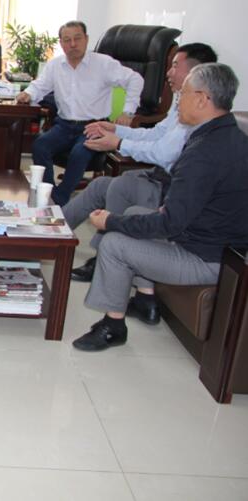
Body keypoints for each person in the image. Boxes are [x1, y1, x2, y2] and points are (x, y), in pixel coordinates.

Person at [72, 62, 248, 351]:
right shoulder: (230, 137)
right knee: (135, 214)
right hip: (216, 244)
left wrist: (110, 221)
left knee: (114, 244)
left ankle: (112, 327)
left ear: (202, 99)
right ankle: (145, 301)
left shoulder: (204, 153)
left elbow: (169, 224)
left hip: (207, 258)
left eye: (184, 94)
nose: (178, 101)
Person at [63, 43, 218, 307]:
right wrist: (116, 129)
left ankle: (103, 259)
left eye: (175, 66)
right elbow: (155, 134)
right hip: (157, 176)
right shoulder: (181, 102)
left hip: (168, 188)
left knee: (120, 186)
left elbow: (163, 152)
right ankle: (51, 236)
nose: (168, 72)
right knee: (100, 185)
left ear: (196, 72)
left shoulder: (198, 114)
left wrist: (118, 143)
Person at [16, 20, 144, 206]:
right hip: (64, 125)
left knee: (79, 153)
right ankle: (49, 191)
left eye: (77, 38)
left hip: (95, 126)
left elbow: (135, 79)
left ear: (86, 39)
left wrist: (128, 112)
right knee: (40, 146)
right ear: (61, 43)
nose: (73, 44)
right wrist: (28, 93)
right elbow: (40, 85)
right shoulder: (55, 66)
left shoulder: (103, 63)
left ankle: (59, 199)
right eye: (67, 40)